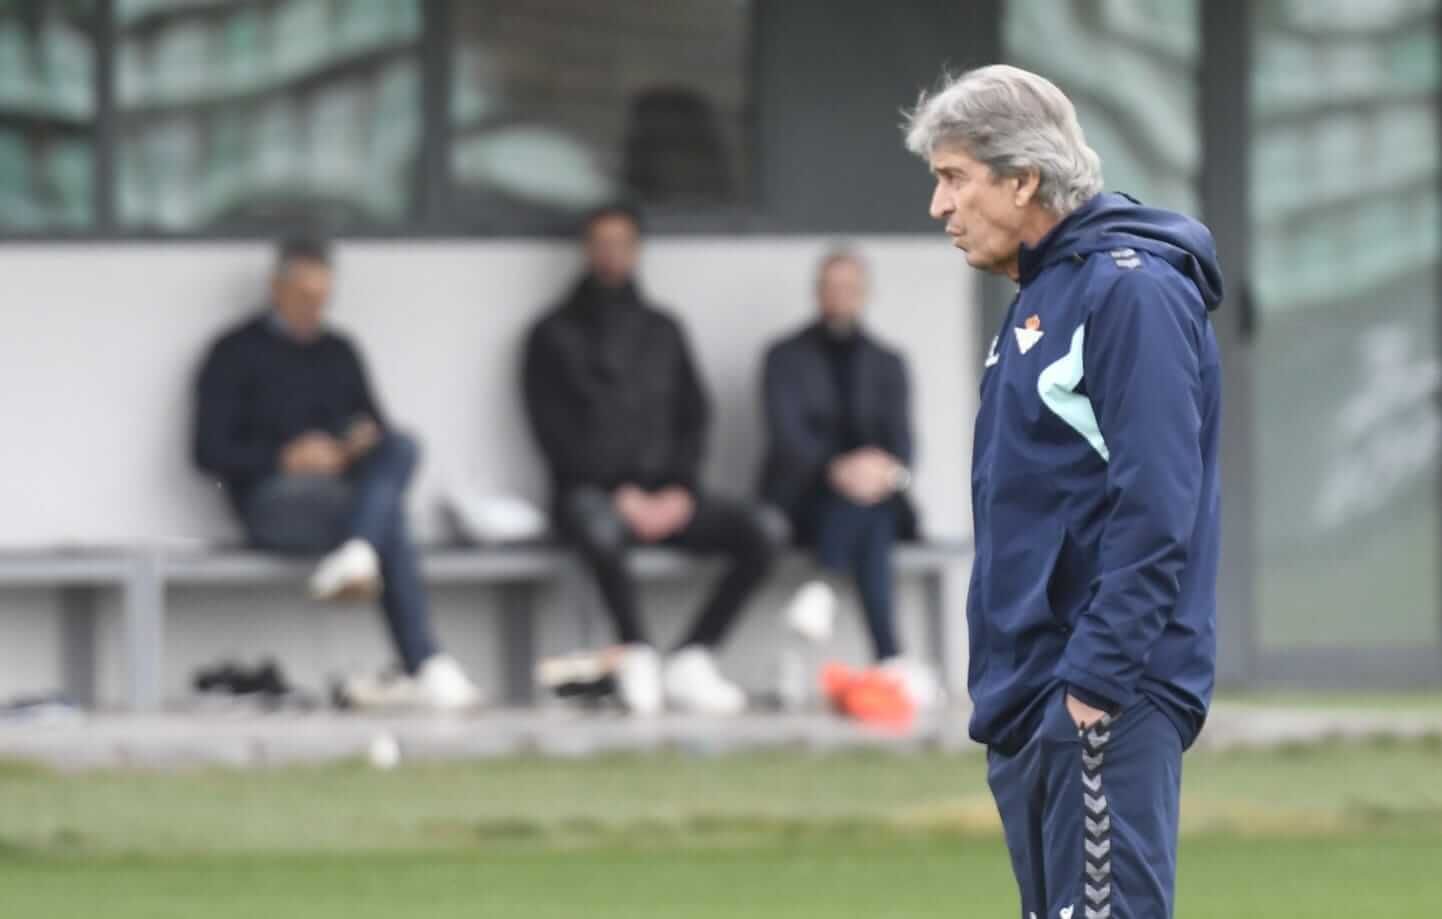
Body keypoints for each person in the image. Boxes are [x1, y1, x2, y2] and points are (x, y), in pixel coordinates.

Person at [904, 65, 1222, 919]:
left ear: (1022, 178)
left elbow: (1159, 509)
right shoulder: (1046, 296)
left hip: (1099, 693)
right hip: (1033, 695)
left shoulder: (1132, 293)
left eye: (954, 178)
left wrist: (1095, 682)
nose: (940, 207)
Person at [193, 237, 482, 712]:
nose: (314, 308)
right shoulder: (234, 352)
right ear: (276, 288)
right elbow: (207, 452)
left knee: (402, 446)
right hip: (269, 501)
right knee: (388, 517)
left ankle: (359, 554)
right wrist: (284, 458)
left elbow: (372, 429)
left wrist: (353, 446)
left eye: (323, 298)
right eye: (304, 296)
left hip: (343, 496)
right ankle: (425, 660)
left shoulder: (339, 351)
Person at [522, 204, 779, 716]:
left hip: (671, 495)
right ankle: (636, 652)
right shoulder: (550, 335)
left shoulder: (664, 330)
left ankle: (693, 655)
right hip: (593, 496)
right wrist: (622, 495)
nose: (612, 253)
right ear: (587, 251)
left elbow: (694, 414)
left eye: (623, 242)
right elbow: (555, 434)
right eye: (602, 242)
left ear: (636, 251)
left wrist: (679, 490)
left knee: (765, 530)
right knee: (599, 528)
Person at [760, 250, 935, 702]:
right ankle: (891, 658)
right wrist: (837, 469)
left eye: (849, 288)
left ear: (864, 294)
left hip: (877, 494)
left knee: (869, 508)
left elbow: (904, 447)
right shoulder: (784, 357)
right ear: (818, 292)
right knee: (867, 516)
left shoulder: (887, 361)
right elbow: (787, 438)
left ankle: (822, 584)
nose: (840, 297)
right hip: (807, 498)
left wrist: (880, 473)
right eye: (832, 287)